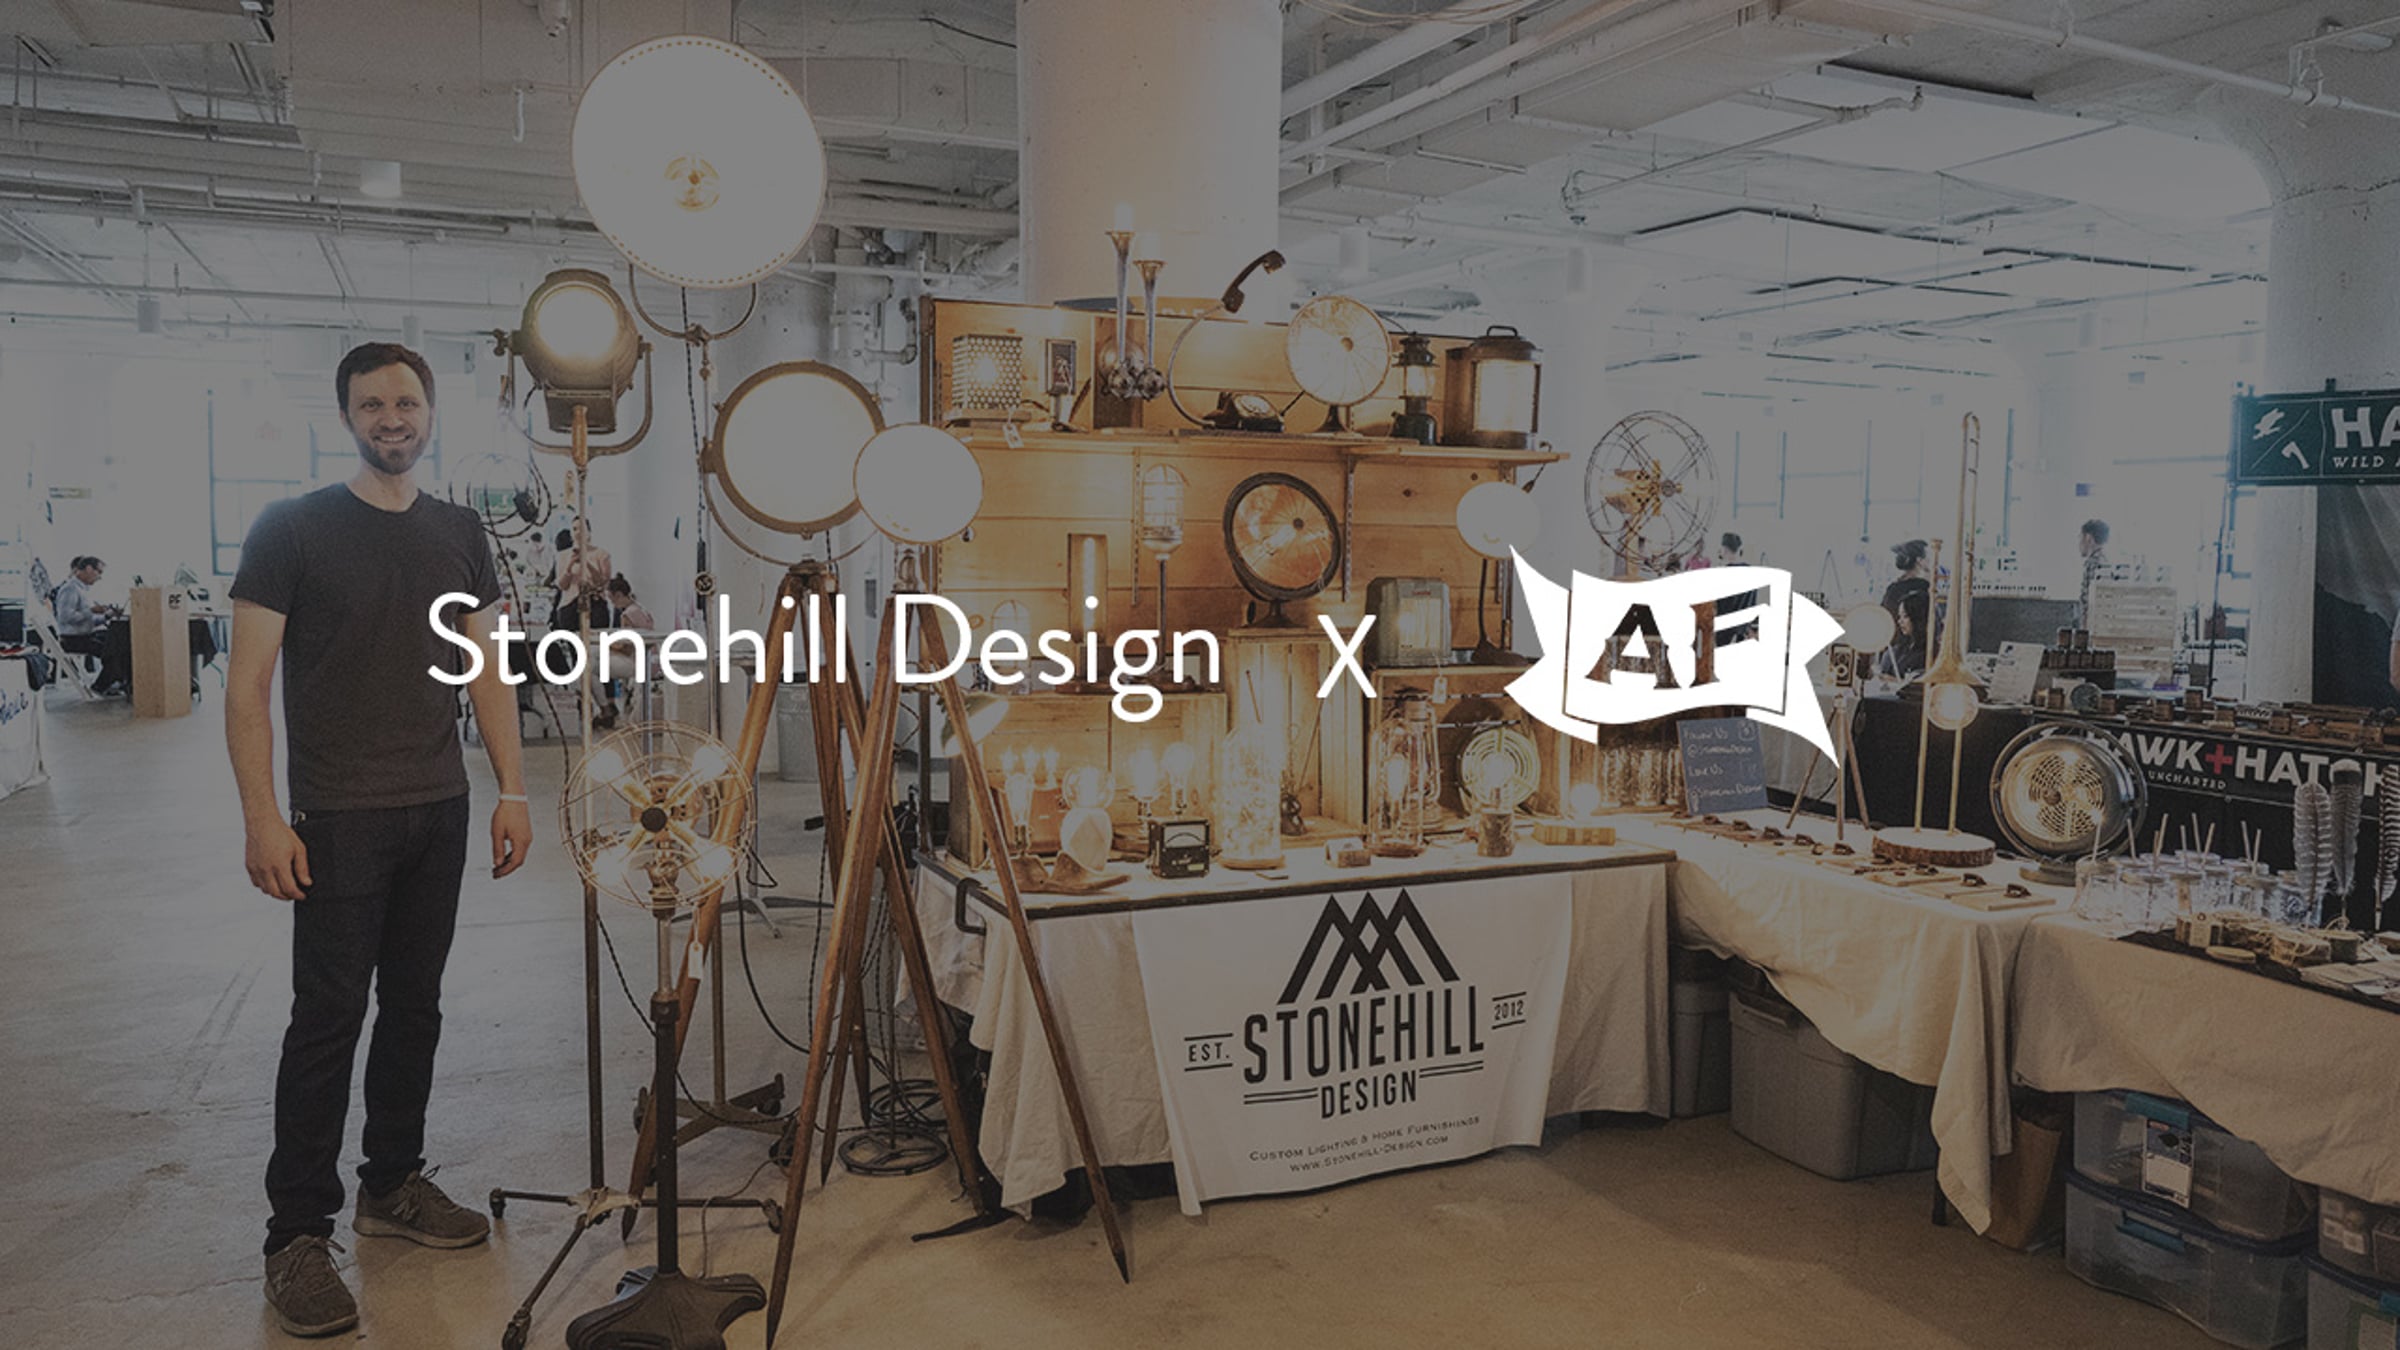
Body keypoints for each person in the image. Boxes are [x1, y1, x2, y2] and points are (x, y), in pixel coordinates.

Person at [227, 342, 532, 1339]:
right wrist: (263, 817)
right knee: (326, 1021)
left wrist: (511, 789)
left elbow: (488, 667)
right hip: (338, 817)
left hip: (438, 808)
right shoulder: (292, 528)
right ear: (346, 416)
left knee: (415, 1008)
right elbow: (247, 689)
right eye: (372, 404)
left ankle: (391, 1182)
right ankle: (295, 1235)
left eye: (406, 401)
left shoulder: (459, 531)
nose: (391, 417)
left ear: (430, 412)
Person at [52, 556, 129, 693]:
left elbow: (88, 619)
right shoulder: (70, 589)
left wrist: (107, 615)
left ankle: (121, 682)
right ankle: (100, 687)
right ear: (88, 569)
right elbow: (65, 618)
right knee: (115, 651)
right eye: (99, 572)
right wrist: (91, 611)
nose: (100, 577)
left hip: (86, 635)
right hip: (73, 639)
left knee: (121, 644)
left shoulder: (83, 590)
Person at [1882, 539, 1934, 677]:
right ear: (1919, 561)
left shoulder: (1892, 588)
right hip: (1914, 651)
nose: (1930, 561)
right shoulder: (1923, 587)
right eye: (1927, 557)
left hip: (1891, 648)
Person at [2077, 518, 2111, 630]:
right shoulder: (2104, 561)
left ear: (2088, 538)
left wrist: (2085, 629)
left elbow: (2090, 601)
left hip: (2093, 627)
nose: (2079, 544)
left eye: (2080, 538)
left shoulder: (2094, 563)